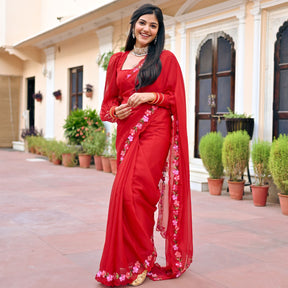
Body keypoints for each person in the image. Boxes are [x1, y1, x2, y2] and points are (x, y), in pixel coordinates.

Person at [95, 3, 193, 287]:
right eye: (142, 23)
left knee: (138, 191)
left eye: (153, 25)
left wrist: (151, 97)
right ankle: (130, 259)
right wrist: (117, 113)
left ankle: (143, 259)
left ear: (158, 31)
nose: (147, 29)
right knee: (124, 195)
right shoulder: (117, 60)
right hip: (128, 132)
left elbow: (176, 99)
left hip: (156, 130)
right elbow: (107, 106)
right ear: (133, 25)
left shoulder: (166, 59)